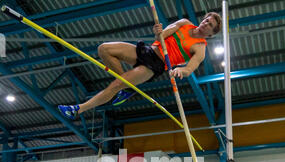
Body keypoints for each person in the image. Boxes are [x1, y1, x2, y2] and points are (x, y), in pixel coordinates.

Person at [58, 12, 222, 119]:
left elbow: (189, 69)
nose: (206, 23)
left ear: (211, 34)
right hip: (147, 51)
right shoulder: (185, 23)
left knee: (116, 84)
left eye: (210, 25)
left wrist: (181, 70)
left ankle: (78, 109)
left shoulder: (200, 48)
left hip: (154, 66)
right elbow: (161, 36)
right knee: (104, 49)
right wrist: (158, 31)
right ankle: (127, 88)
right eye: (206, 20)